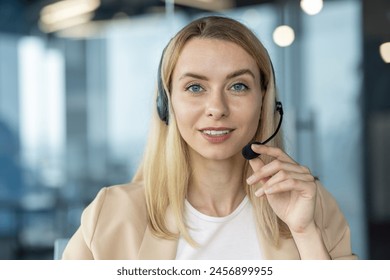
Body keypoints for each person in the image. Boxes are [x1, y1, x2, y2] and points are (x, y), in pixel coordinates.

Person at [62, 15, 356, 260]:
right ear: (166, 104)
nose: (217, 108)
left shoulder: (313, 205)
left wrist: (305, 233)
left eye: (238, 86)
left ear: (263, 100)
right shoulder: (113, 214)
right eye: (194, 87)